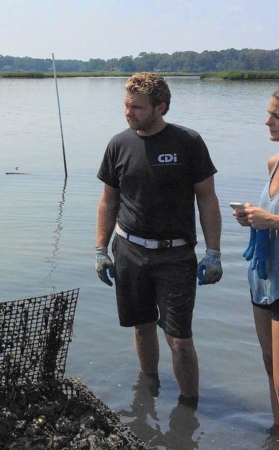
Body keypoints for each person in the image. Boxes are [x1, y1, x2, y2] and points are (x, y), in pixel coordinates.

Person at [94, 72, 222, 407]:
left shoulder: (188, 142)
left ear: (160, 106)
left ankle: (188, 407)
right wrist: (100, 249)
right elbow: (108, 200)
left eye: (136, 107)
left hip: (175, 255)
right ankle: (147, 393)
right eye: (126, 105)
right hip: (128, 250)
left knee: (179, 339)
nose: (128, 113)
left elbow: (207, 198)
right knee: (141, 326)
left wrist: (214, 252)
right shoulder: (118, 144)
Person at [233, 89, 279, 433]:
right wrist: (251, 219)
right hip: (264, 278)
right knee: (270, 366)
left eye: (275, 115)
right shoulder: (273, 163)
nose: (267, 121)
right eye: (268, 113)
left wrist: (273, 221)